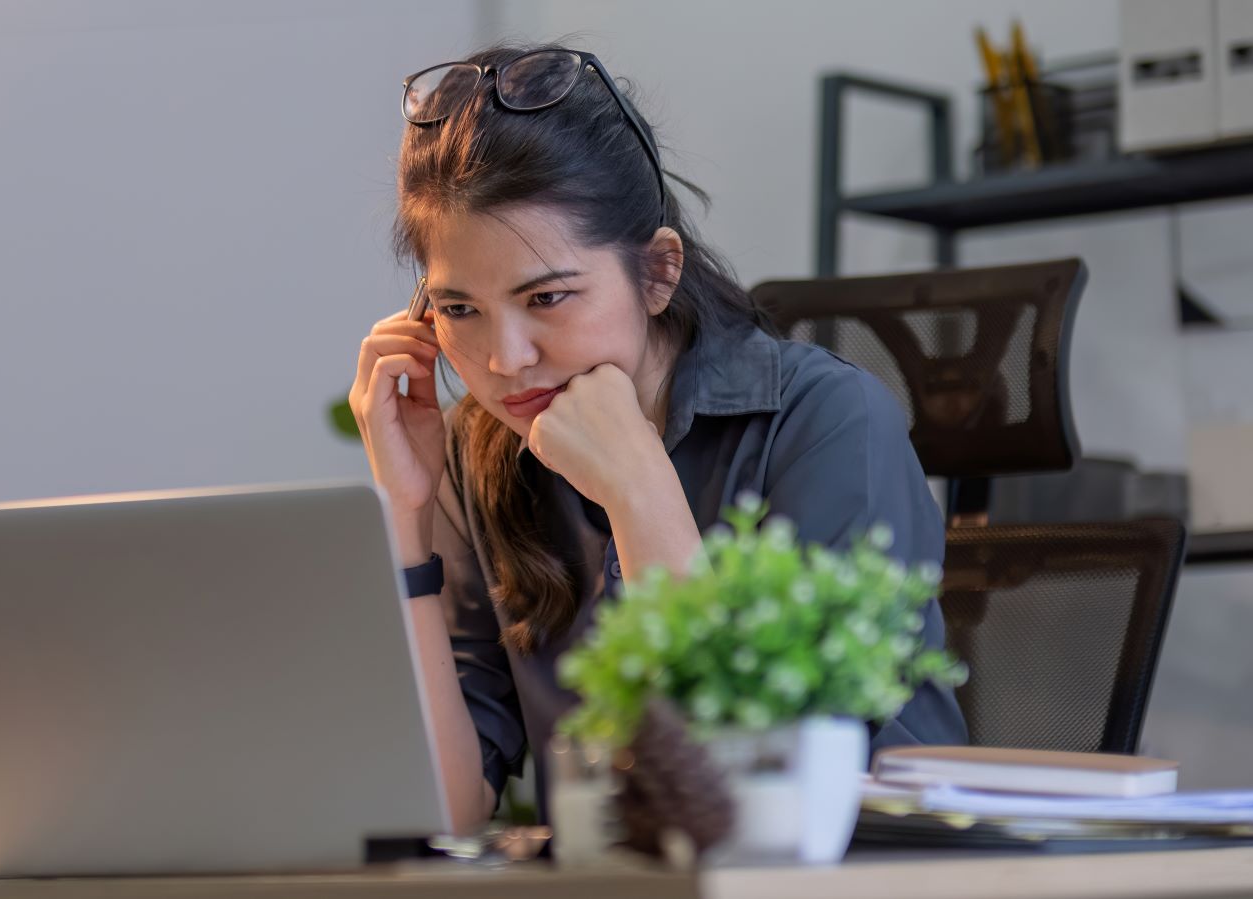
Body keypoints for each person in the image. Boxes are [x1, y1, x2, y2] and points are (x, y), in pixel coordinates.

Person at [348, 43, 967, 835]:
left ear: (657, 273)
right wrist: (404, 516)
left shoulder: (829, 421)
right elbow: (446, 810)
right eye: (459, 309)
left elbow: (738, 803)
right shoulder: (485, 450)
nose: (504, 361)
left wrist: (640, 489)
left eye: (547, 297)